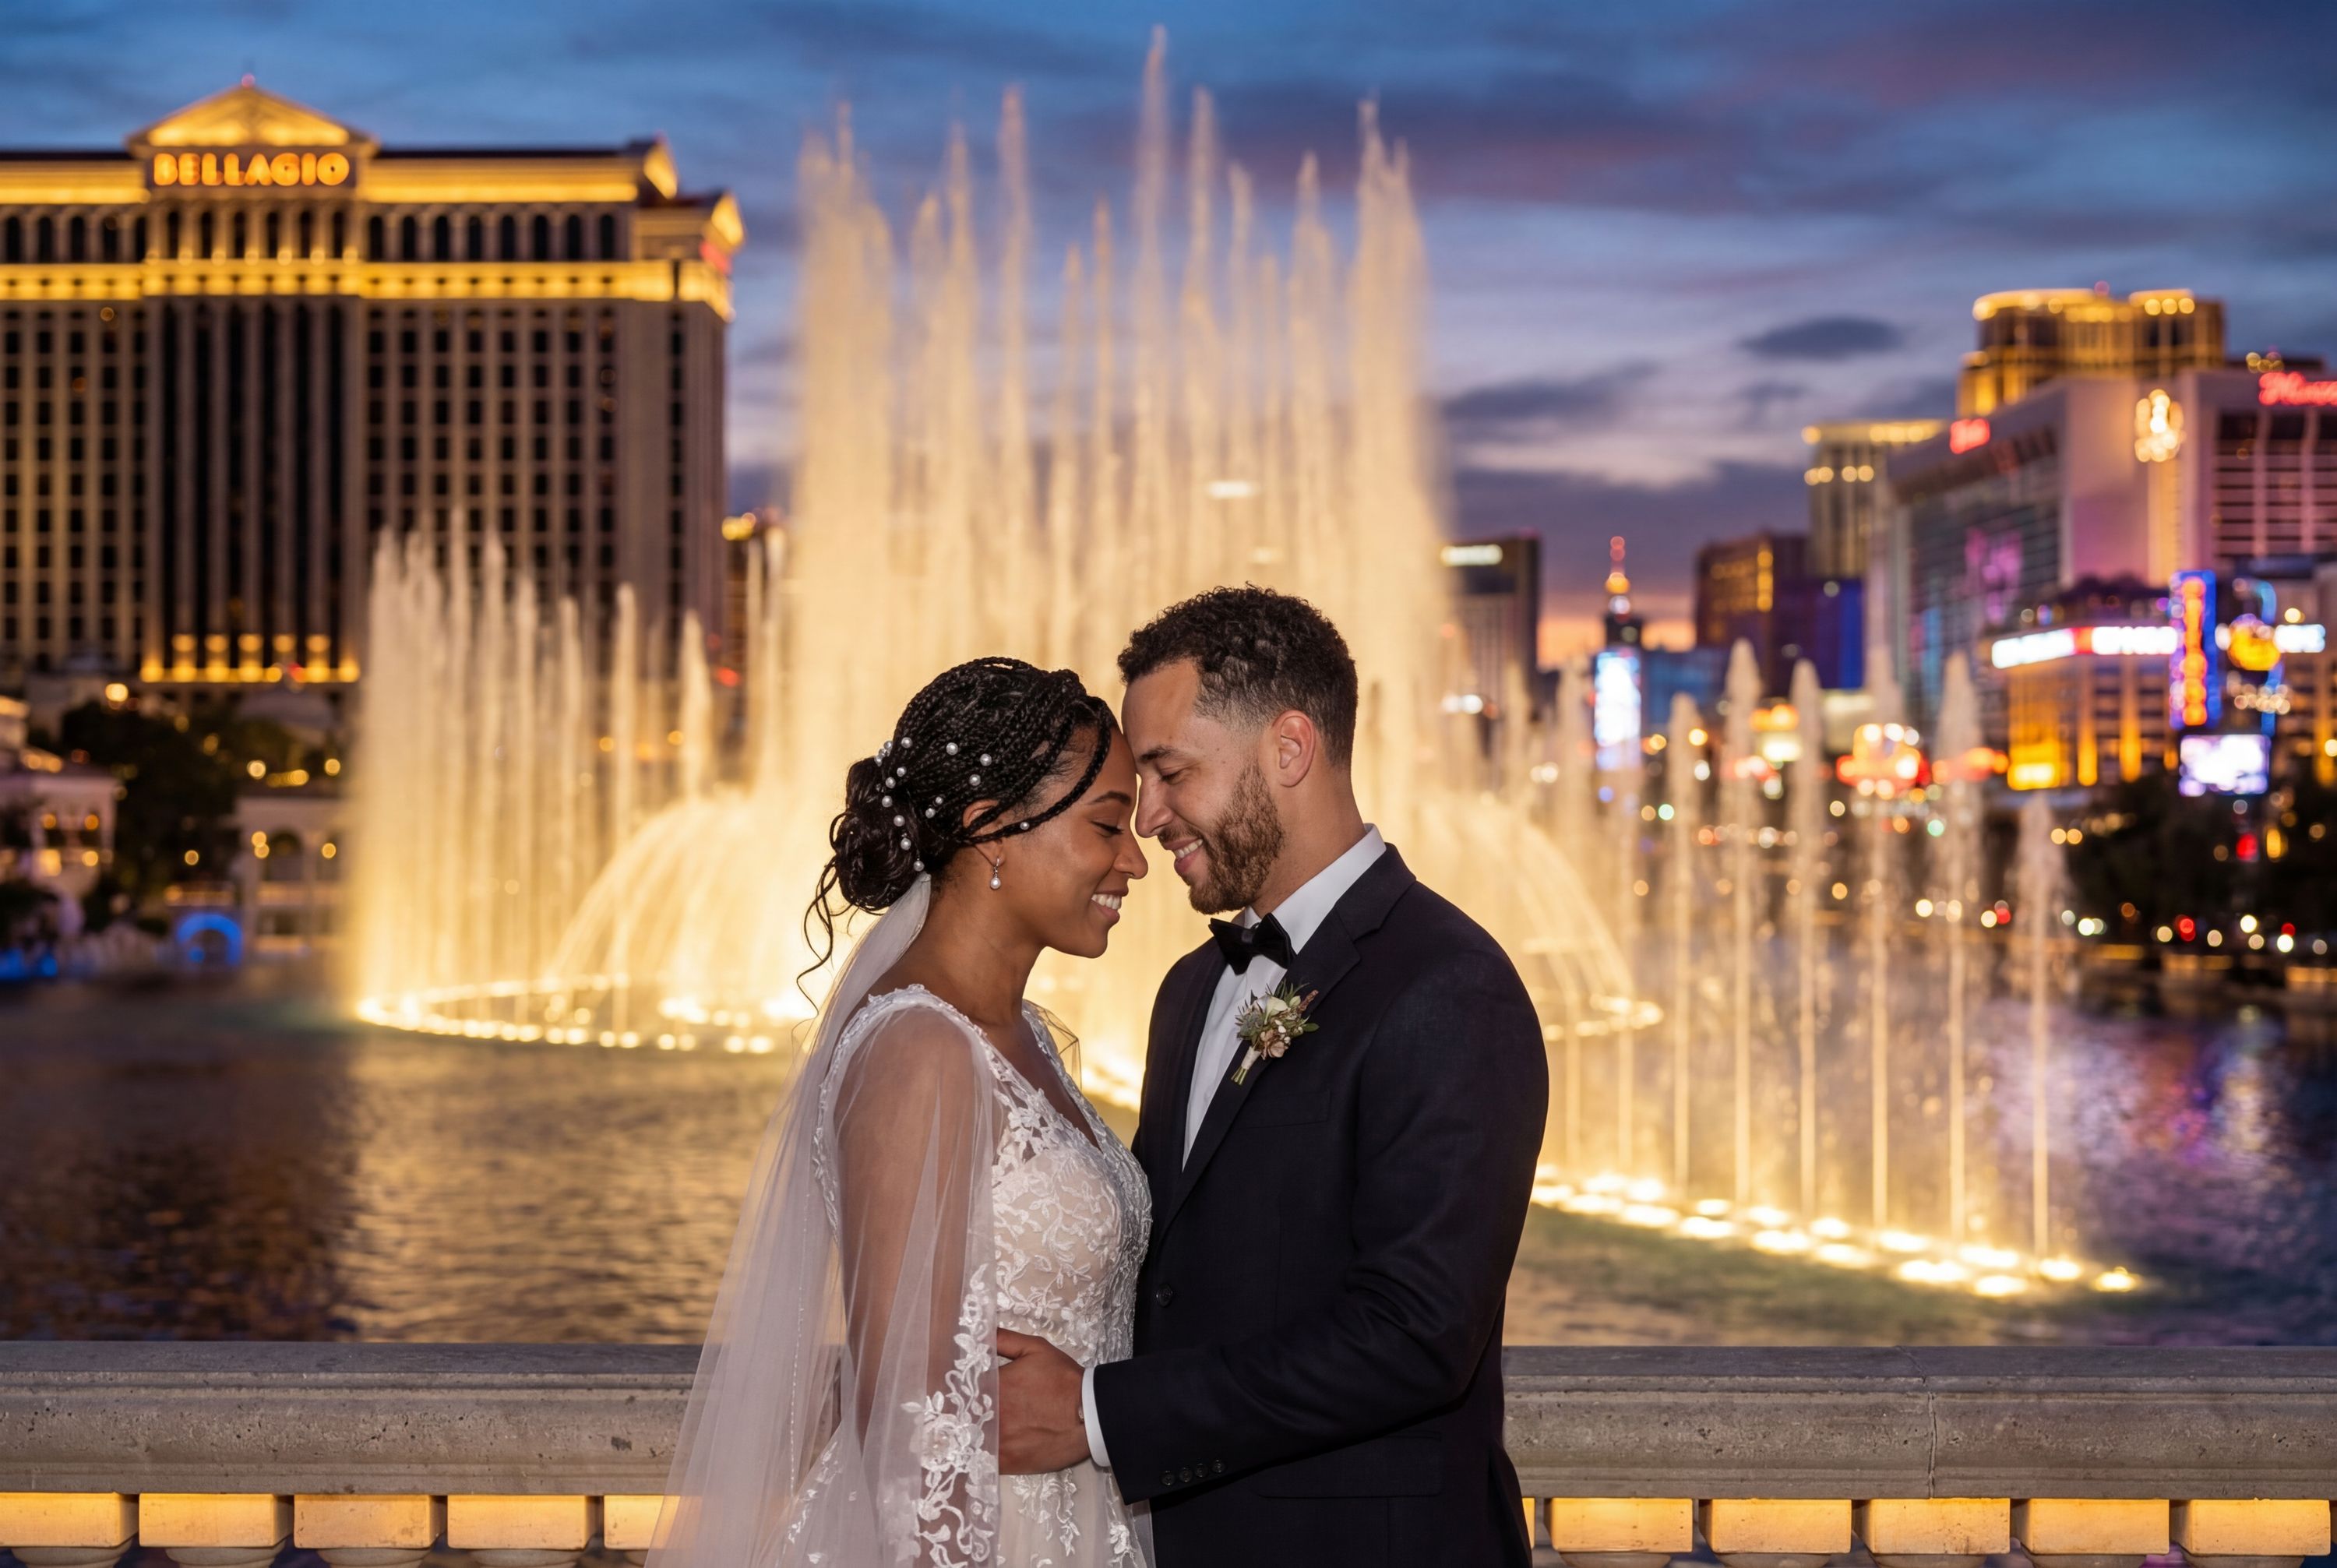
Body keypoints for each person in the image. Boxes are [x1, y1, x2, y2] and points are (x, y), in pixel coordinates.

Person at [996, 587, 1549, 1566]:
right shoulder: (1190, 990)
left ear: (1290, 750)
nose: (1149, 817)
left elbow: (1416, 1334)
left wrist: (1094, 1413)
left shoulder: (1452, 986)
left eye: (1170, 773)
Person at [649, 656, 1154, 1568]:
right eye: (1108, 825)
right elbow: (911, 1425)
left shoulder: (1028, 1038)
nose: (1136, 860)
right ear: (992, 828)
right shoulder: (919, 1050)